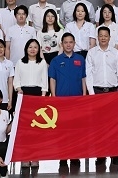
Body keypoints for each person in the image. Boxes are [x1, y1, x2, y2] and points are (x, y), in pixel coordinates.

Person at [86, 26, 118, 168]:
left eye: (106, 36)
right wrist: (92, 94)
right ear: (97, 37)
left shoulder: (115, 53)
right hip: (97, 92)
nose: (103, 38)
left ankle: (114, 155)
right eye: (101, 35)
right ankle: (101, 155)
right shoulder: (91, 53)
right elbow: (89, 74)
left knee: (113, 125)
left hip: (112, 92)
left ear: (110, 38)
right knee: (99, 126)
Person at [48, 32, 87, 171]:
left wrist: (84, 95)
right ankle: (63, 157)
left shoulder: (81, 59)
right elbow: (52, 79)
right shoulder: (56, 61)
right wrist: (53, 96)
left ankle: (75, 156)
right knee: (63, 131)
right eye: (66, 42)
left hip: (77, 100)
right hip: (61, 101)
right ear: (62, 44)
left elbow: (83, 78)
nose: (68, 45)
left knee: (76, 130)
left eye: (71, 42)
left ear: (74, 44)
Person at [13, 38, 48, 170]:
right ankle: (25, 157)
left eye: (35, 47)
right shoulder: (20, 62)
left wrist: (43, 98)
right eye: (30, 47)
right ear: (26, 49)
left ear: (38, 50)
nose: (33, 49)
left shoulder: (42, 63)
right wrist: (19, 90)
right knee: (24, 129)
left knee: (36, 129)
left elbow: (44, 81)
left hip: (37, 95)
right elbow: (16, 80)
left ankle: (35, 157)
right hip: (23, 95)